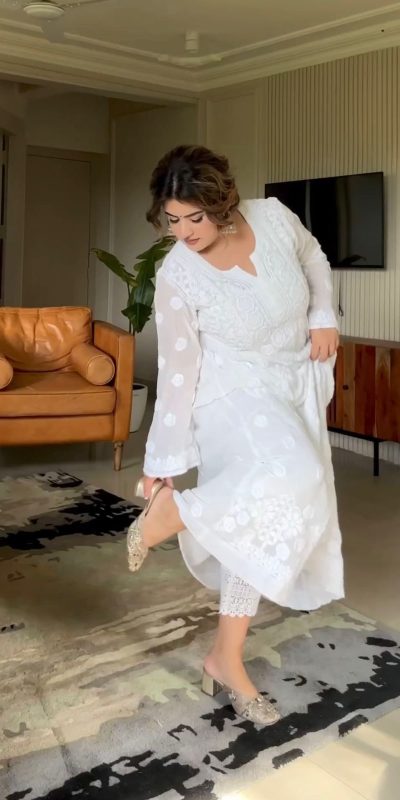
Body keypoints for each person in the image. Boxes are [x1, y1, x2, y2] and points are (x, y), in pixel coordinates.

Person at [127, 144, 344, 726]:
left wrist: (323, 314)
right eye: (172, 219)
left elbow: (314, 257)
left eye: (194, 217)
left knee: (260, 520)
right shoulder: (177, 274)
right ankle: (174, 511)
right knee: (296, 476)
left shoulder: (272, 217)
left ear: (222, 202)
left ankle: (225, 657)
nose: (183, 232)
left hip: (290, 382)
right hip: (229, 393)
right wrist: (162, 462)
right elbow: (178, 370)